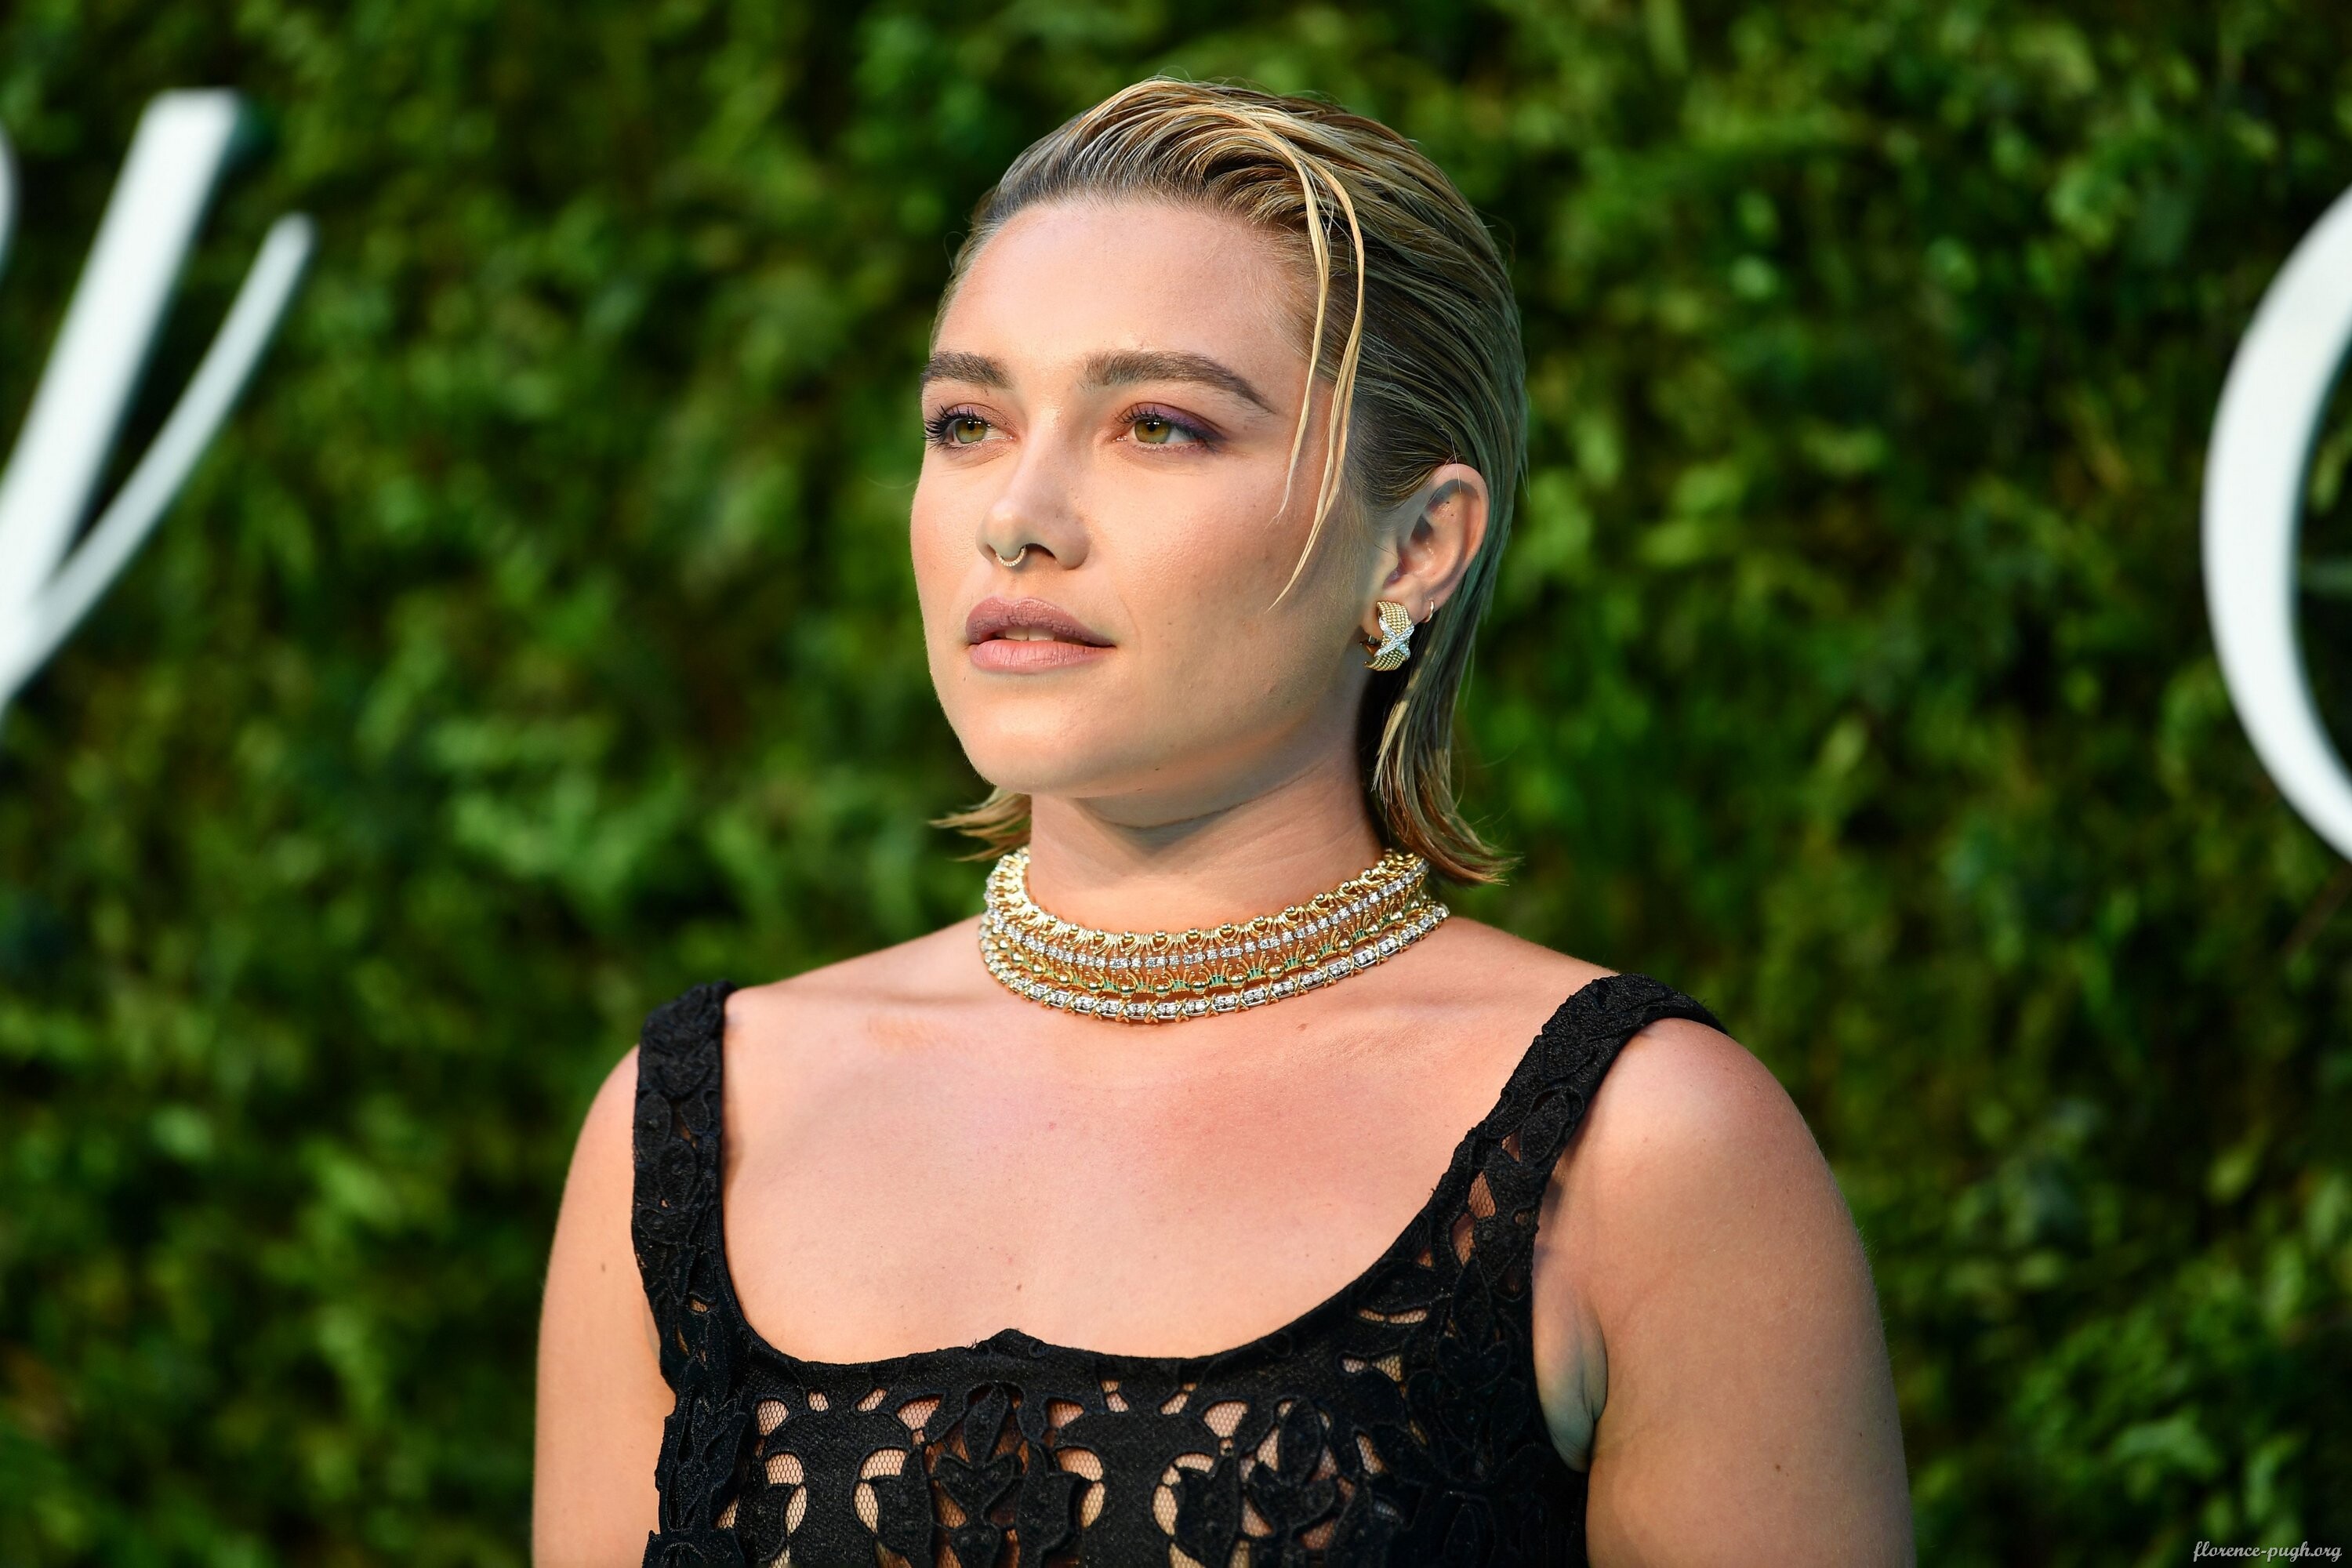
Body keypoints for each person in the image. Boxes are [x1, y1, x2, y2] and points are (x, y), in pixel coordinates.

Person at [533, 77, 1913, 1567]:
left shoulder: (1649, 1150)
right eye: (968, 422)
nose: (1019, 516)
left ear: (1416, 545)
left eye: (1160, 426)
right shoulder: (693, 1124)